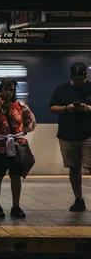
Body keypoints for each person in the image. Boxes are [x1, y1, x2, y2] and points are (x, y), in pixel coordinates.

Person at [0, 78, 36, 218]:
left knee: (15, 176)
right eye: (6, 89)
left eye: (11, 89)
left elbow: (30, 123)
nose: (9, 92)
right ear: (0, 91)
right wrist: (0, 104)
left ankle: (16, 206)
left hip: (17, 147)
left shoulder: (21, 106)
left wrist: (20, 133)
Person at [49, 62, 91, 212]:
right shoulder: (61, 89)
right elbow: (52, 108)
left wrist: (88, 108)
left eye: (82, 78)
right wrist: (67, 108)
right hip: (67, 135)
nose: (79, 82)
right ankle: (78, 199)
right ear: (71, 76)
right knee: (74, 168)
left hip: (88, 134)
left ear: (85, 75)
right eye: (76, 79)